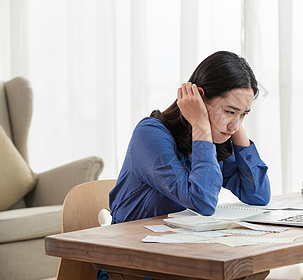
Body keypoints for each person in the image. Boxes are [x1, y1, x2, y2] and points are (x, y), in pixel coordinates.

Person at [97, 51, 270, 279]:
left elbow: (257, 195)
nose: (235, 125)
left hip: (184, 256)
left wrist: (235, 125)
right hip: (133, 265)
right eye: (229, 111)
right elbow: (203, 202)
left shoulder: (216, 140)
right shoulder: (150, 134)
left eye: (244, 114)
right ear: (197, 98)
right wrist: (200, 124)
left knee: (251, 270)